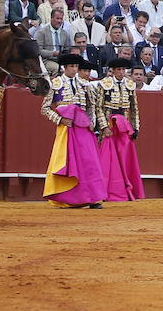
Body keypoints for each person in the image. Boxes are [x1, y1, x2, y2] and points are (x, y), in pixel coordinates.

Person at [41, 52, 108, 208]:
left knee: (89, 163)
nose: (74, 69)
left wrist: (92, 122)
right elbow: (44, 109)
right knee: (69, 163)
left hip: (83, 129)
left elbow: (92, 106)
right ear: (64, 68)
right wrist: (60, 120)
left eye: (76, 66)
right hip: (66, 129)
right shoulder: (55, 84)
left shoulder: (85, 84)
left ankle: (93, 198)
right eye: (71, 66)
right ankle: (70, 199)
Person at [97, 56, 144, 201]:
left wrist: (135, 128)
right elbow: (99, 108)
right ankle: (105, 191)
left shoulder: (130, 85)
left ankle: (126, 189)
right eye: (119, 69)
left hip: (124, 127)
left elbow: (134, 109)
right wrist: (104, 127)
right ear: (113, 70)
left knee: (124, 159)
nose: (121, 72)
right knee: (108, 159)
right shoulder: (104, 84)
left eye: (123, 69)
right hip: (110, 126)